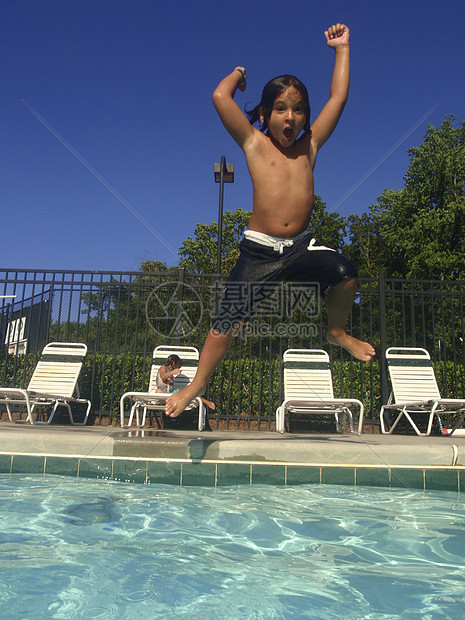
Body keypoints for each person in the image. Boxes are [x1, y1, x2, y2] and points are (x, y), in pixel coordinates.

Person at [166, 22, 375, 418]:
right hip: (259, 253)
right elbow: (219, 96)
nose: (290, 116)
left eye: (298, 109)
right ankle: (196, 383)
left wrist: (342, 49)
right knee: (223, 325)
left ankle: (336, 331)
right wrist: (240, 75)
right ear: (265, 114)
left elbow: (339, 97)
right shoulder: (253, 143)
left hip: (300, 248)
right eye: (281, 108)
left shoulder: (310, 146)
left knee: (346, 273)